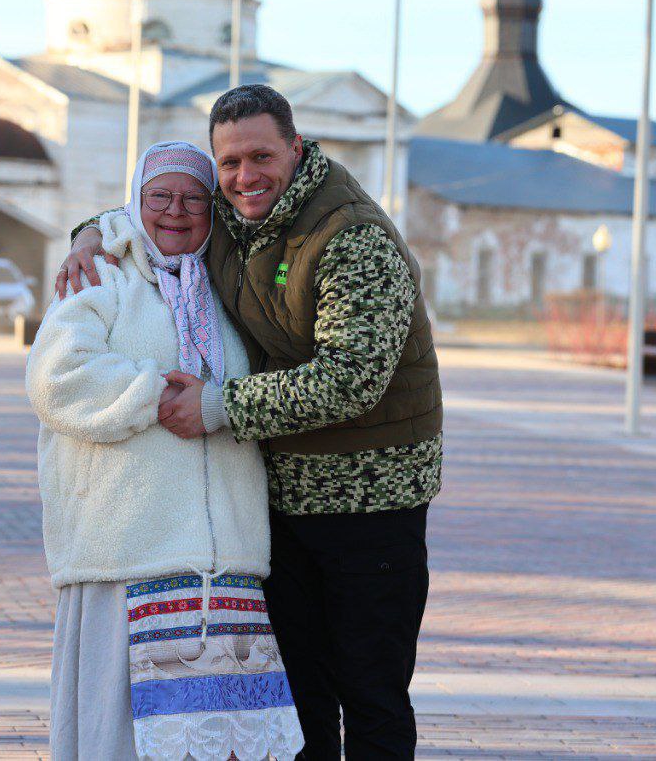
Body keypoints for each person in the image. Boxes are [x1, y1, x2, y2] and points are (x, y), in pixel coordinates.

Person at [57, 85, 443, 759]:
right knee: (302, 697)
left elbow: (350, 379)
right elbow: (162, 206)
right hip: (286, 505)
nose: (243, 176)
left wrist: (217, 405)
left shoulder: (353, 237)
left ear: (296, 149)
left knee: (372, 692)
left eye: (260, 156)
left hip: (369, 506)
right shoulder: (238, 218)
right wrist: (91, 233)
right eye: (228, 163)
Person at [26, 140, 305, 761]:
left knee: (223, 746)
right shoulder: (99, 276)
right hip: (126, 555)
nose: (175, 211)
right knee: (123, 741)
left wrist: (217, 403)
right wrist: (158, 395)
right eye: (159, 196)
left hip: (225, 566)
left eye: (194, 199)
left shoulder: (234, 292)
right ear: (136, 202)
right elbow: (57, 379)